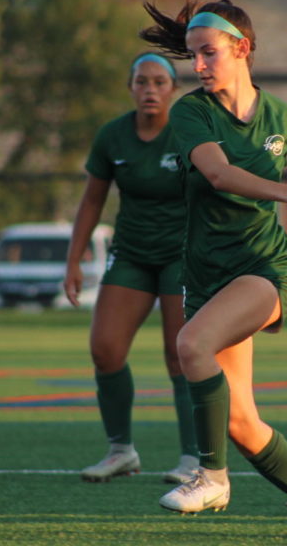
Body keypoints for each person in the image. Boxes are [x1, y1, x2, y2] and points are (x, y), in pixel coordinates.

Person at [139, 0, 287, 539]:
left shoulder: (283, 115)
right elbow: (217, 173)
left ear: (242, 48)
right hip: (207, 273)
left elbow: (247, 188)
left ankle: (210, 476)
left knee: (190, 346)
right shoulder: (192, 112)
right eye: (192, 56)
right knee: (239, 421)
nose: (199, 66)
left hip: (262, 267)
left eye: (208, 53)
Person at [64, 52, 199, 485]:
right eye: (142, 82)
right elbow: (91, 200)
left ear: (173, 89)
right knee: (105, 349)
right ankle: (121, 451)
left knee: (181, 355)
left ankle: (194, 460)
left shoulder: (188, 134)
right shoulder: (113, 136)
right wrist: (74, 260)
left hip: (181, 256)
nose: (151, 90)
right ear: (131, 88)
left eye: (160, 82)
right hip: (132, 255)